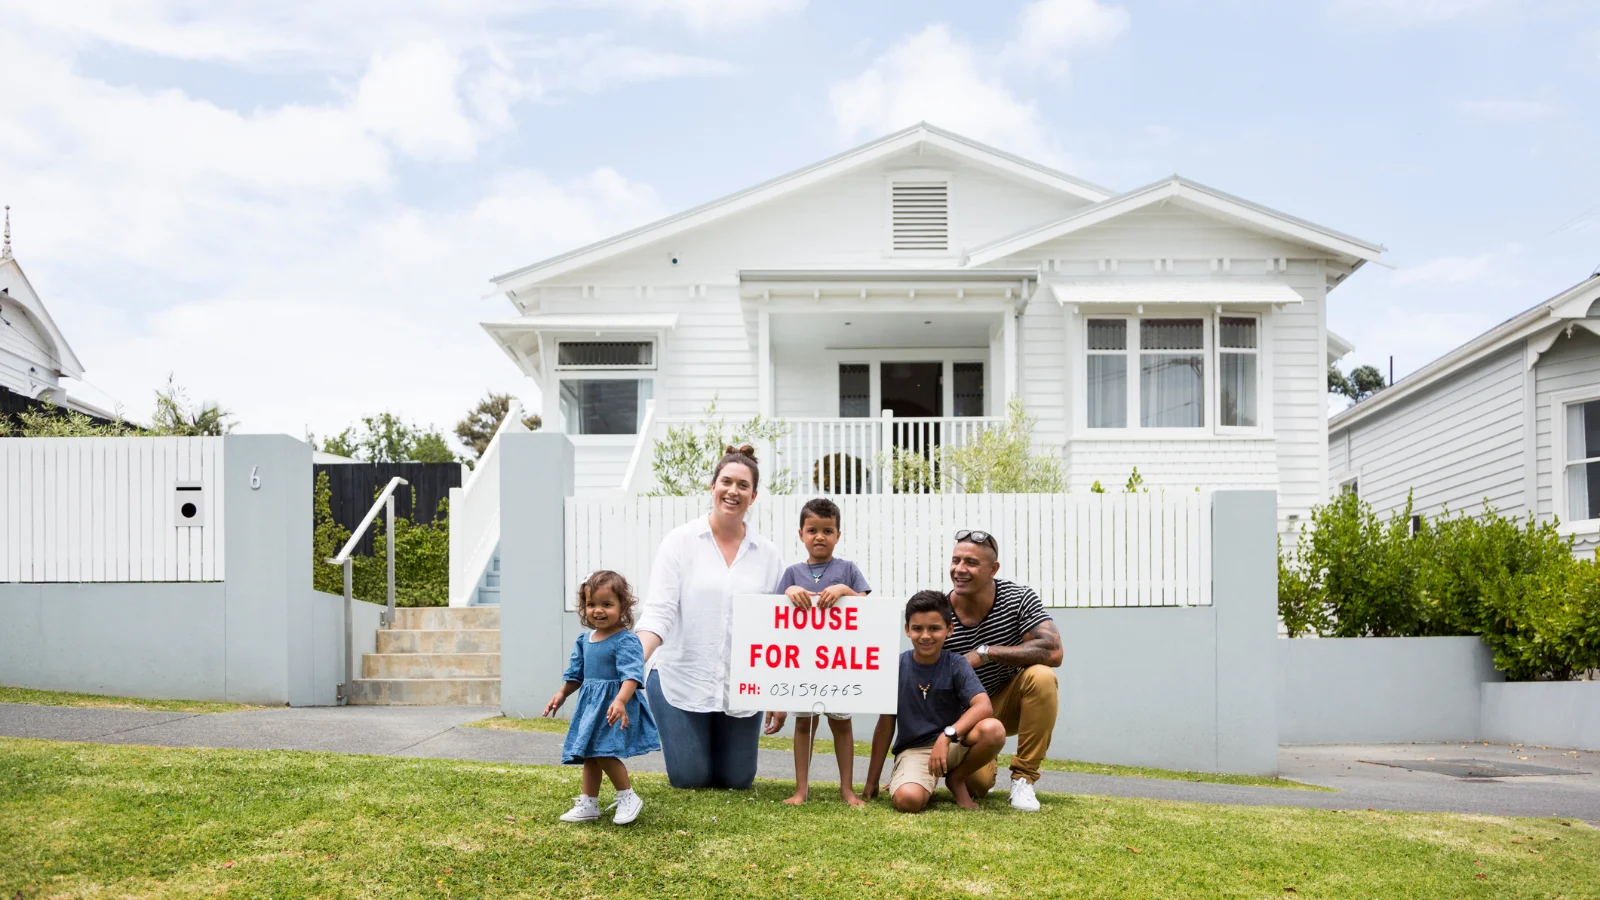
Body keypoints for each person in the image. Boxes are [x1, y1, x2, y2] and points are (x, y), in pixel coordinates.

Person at [635, 444, 788, 790]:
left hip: (741, 686)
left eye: (743, 485)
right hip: (681, 679)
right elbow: (658, 613)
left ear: (754, 495)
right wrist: (629, 667)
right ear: (713, 486)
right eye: (726, 482)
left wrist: (779, 693)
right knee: (691, 778)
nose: (733, 491)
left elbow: (776, 627)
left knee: (737, 780)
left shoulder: (768, 554)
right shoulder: (680, 542)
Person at [942, 529, 1062, 812]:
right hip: (967, 714)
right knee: (978, 787)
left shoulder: (1018, 598)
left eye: (971, 562)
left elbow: (1054, 651)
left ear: (993, 569)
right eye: (955, 560)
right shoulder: (939, 609)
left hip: (1008, 699)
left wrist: (986, 653)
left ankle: (1024, 779)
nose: (960, 569)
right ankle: (986, 765)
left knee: (1042, 676)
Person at [863, 590, 1006, 812]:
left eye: (934, 628)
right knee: (907, 801)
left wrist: (946, 736)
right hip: (915, 750)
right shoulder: (895, 667)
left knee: (993, 731)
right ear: (907, 629)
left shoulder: (956, 664)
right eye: (918, 628)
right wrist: (871, 781)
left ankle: (956, 780)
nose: (925, 636)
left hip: (953, 744)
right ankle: (914, 781)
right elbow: (885, 726)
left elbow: (983, 705)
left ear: (949, 630)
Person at [773, 497, 872, 806]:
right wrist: (789, 591)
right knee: (804, 724)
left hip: (839, 665)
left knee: (842, 724)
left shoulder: (848, 568)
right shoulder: (792, 572)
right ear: (801, 533)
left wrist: (845, 591)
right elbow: (774, 614)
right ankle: (801, 790)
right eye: (812, 529)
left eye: (828, 530)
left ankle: (847, 789)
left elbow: (867, 607)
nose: (820, 536)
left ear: (838, 535)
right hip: (803, 665)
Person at [543, 570, 660, 825]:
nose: (598, 610)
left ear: (623, 606)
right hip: (590, 706)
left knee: (604, 751)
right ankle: (589, 802)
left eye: (607, 604)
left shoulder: (626, 640)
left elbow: (632, 674)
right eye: (591, 604)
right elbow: (576, 673)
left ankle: (628, 796)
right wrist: (562, 693)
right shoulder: (584, 640)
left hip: (615, 704)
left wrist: (620, 700)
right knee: (590, 753)